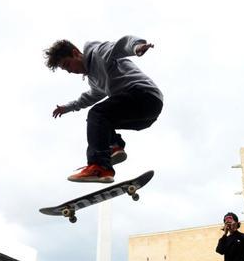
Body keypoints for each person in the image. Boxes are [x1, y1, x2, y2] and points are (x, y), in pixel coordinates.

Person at [44, 36, 163, 183]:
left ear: (75, 53)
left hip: (143, 95)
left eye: (67, 65)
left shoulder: (98, 53)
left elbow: (120, 46)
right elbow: (89, 97)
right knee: (101, 122)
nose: (69, 71)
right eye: (65, 69)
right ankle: (114, 146)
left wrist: (136, 47)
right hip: (146, 115)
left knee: (97, 114)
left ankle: (99, 166)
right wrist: (67, 108)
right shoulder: (94, 79)